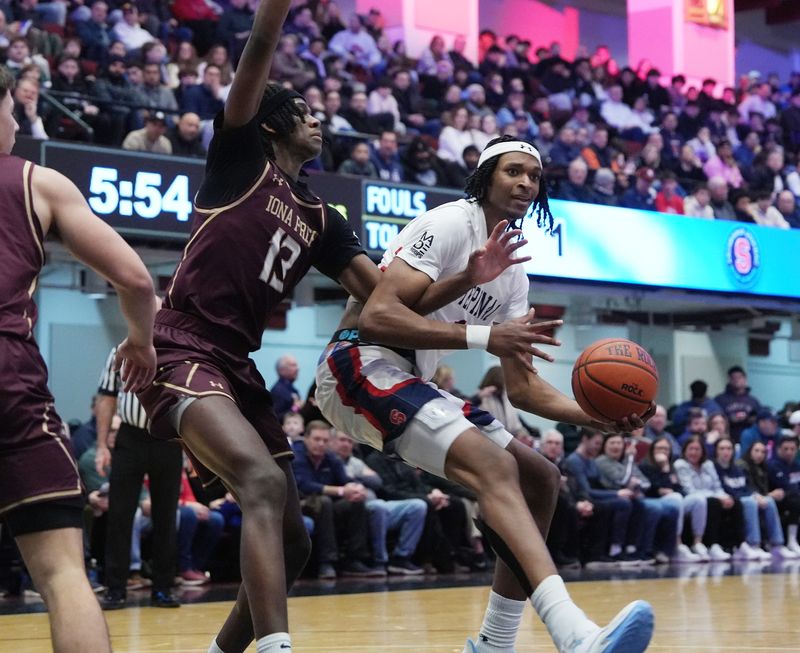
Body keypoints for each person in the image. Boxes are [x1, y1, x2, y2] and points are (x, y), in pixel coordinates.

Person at [135, 3, 523, 650]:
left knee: (296, 540)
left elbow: (392, 309)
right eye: (306, 113)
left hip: (237, 365)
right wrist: (276, 11)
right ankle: (277, 646)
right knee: (259, 483)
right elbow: (258, 49)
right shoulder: (238, 159)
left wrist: (469, 277)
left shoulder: (323, 217)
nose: (319, 120)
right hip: (182, 343)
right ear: (273, 125)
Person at [316, 136, 655, 653]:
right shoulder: (450, 223)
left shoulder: (514, 271)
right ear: (486, 177)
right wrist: (482, 334)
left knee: (540, 477)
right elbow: (378, 315)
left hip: (410, 379)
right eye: (513, 172)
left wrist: (598, 418)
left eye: (533, 176)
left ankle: (496, 643)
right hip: (357, 363)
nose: (525, 183)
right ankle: (574, 633)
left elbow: (521, 389)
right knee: (495, 470)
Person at [0, 64, 157, 653]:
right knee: (63, 572)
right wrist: (139, 343)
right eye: (12, 107)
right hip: (9, 377)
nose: (16, 120)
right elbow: (137, 280)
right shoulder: (39, 182)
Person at [95, 338, 183, 610]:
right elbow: (107, 397)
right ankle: (115, 588)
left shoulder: (178, 351)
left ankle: (162, 588)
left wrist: (192, 447)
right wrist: (101, 445)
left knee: (166, 515)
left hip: (168, 438)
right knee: (120, 514)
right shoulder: (119, 351)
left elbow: (190, 401)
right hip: (130, 437)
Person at [713, 438, 779, 560]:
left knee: (768, 501)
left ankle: (777, 544)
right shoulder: (713, 467)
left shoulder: (737, 468)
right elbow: (721, 488)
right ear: (716, 451)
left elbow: (746, 486)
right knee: (750, 502)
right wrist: (751, 496)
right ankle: (753, 544)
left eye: (729, 448)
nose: (726, 452)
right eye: (722, 449)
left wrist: (755, 494)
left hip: (743, 496)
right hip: (729, 499)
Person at [674, 435, 737, 561]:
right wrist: (717, 497)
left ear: (703, 451)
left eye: (697, 449)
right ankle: (699, 542)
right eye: (691, 449)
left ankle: (737, 545)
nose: (694, 452)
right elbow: (689, 490)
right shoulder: (680, 464)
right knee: (707, 501)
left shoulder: (708, 464)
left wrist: (724, 496)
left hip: (707, 497)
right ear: (685, 450)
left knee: (735, 502)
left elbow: (717, 486)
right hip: (687, 500)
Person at [739, 440, 799, 558]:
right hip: (744, 497)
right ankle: (753, 544)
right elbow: (744, 486)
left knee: (771, 501)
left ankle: (777, 545)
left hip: (760, 497)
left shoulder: (763, 468)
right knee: (757, 502)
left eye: (763, 452)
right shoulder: (742, 465)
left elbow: (764, 490)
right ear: (749, 451)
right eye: (756, 451)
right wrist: (760, 495)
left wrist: (768, 495)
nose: (760, 454)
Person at [714, 365, 762, 442]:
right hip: (727, 440)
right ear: (729, 380)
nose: (736, 380)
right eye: (733, 378)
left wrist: (748, 419)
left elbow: (759, 420)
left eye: (739, 377)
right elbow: (714, 420)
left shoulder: (753, 401)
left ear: (745, 379)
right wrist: (729, 419)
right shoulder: (720, 399)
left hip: (749, 440)